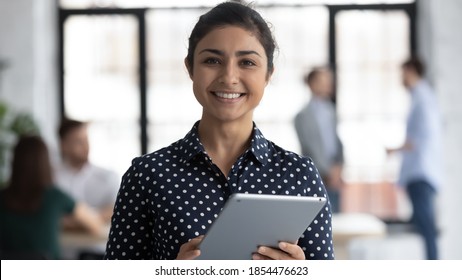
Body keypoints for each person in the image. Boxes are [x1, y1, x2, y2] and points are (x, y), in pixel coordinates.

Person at [104, 1, 333, 260]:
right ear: (190, 67)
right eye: (212, 60)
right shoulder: (147, 176)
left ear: (269, 74)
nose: (229, 77)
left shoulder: (300, 175)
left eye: (247, 62)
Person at [0, 135, 105, 259]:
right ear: (45, 163)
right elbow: (95, 225)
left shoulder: (2, 197)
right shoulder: (54, 197)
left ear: (14, 162)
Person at [387, 57, 442, 260]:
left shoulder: (423, 98)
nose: (400, 78)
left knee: (427, 229)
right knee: (423, 228)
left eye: (402, 72)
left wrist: (394, 149)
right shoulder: (420, 97)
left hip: (421, 174)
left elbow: (421, 137)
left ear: (411, 71)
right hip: (419, 173)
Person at [294, 67, 344, 213]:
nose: (328, 84)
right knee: (318, 218)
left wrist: (338, 167)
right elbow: (309, 148)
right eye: (323, 81)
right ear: (312, 84)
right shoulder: (302, 116)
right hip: (315, 174)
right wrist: (327, 172)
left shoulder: (331, 110)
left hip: (335, 173)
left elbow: (337, 141)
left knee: (336, 219)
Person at [54, 118, 119, 227]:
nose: (86, 146)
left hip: (99, 242)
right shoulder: (52, 178)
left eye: (86, 140)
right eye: (78, 141)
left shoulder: (108, 177)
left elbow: (117, 208)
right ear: (63, 145)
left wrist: (77, 221)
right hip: (65, 243)